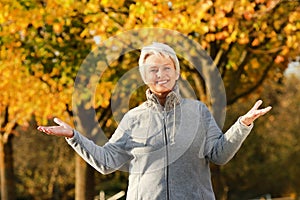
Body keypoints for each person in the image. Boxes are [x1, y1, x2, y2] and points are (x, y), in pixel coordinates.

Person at [37, 42, 272, 200]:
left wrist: (243, 124)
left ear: (177, 72)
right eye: (153, 70)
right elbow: (107, 162)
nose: (161, 75)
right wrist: (73, 137)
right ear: (144, 76)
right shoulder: (133, 118)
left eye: (167, 68)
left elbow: (219, 155)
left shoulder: (198, 111)